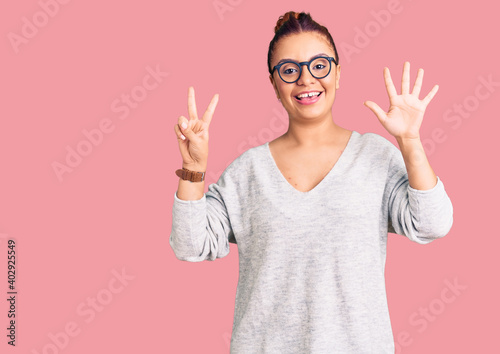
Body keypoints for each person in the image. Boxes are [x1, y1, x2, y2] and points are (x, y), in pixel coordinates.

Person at [170, 10, 453, 353]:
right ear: (274, 84)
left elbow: (432, 224)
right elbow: (189, 244)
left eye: (319, 65)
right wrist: (194, 167)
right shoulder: (248, 171)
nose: (306, 79)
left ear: (337, 74)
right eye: (289, 70)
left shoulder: (374, 156)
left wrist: (410, 141)